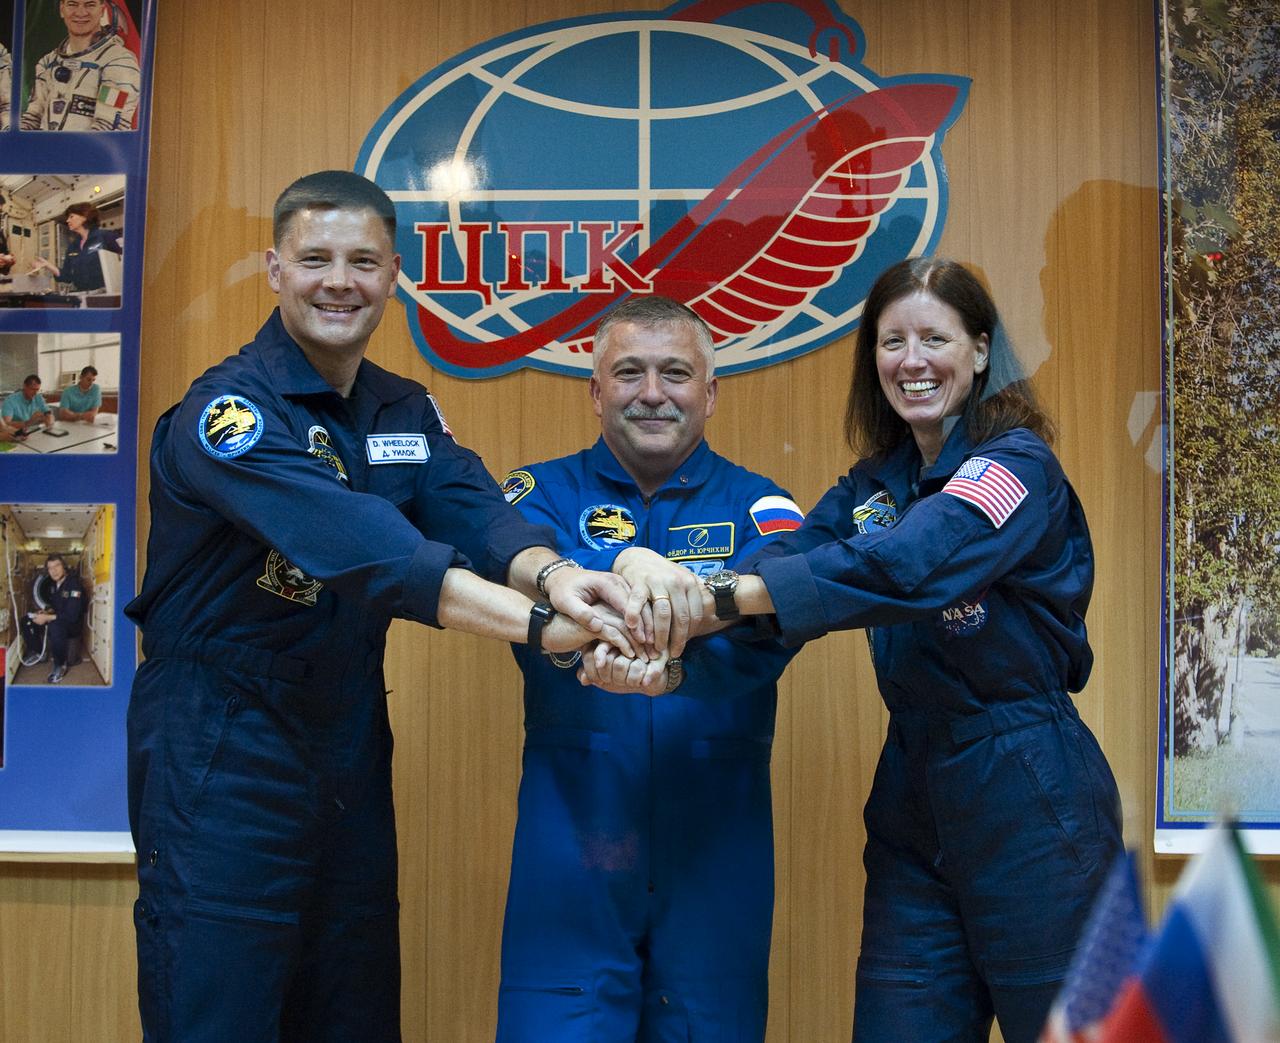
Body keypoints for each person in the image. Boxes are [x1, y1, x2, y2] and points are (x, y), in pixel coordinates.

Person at [125, 170, 646, 1043]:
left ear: (394, 273)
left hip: (346, 737)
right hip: (221, 741)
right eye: (316, 258)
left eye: (363, 261)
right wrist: (535, 624)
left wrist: (557, 575)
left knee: (352, 1002)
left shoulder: (399, 407)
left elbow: (468, 505)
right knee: (217, 1004)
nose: (341, 281)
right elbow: (365, 547)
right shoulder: (229, 412)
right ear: (275, 269)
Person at [613, 258, 1122, 1042]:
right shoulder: (874, 484)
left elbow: (906, 565)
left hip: (1028, 789)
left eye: (934, 338)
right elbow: (787, 566)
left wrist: (715, 595)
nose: (911, 361)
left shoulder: (1015, 466)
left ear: (982, 351)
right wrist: (668, 629)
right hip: (912, 798)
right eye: (892, 341)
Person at [495, 296, 804, 1042]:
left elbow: (787, 597)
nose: (653, 392)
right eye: (628, 372)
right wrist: (639, 574)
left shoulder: (764, 506)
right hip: (569, 842)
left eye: (675, 372)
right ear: (596, 391)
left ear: (710, 391)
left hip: (715, 848)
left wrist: (661, 613)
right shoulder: (534, 496)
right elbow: (509, 568)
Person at [19, 0, 140, 131]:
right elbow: (32, 118)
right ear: (61, 9)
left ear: (102, 10)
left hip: (91, 150)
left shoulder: (118, 62)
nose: (81, 12)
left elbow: (108, 126)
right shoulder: (48, 62)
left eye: (90, 5)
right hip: (47, 149)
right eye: (72, 4)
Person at [29, 202, 122, 292]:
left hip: (108, 293)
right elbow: (66, 277)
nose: (67, 220)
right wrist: (48, 265)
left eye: (71, 216)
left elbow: (126, 261)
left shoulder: (106, 236)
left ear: (85, 216)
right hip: (83, 295)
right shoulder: (72, 247)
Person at [31, 553, 85, 683]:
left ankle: (60, 665)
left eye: (57, 566)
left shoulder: (73, 585)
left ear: (64, 567)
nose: (53, 570)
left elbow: (71, 616)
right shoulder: (56, 586)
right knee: (27, 621)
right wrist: (45, 612)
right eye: (50, 568)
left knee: (55, 626)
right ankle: (41, 653)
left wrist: (47, 618)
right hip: (61, 618)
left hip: (73, 625)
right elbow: (55, 607)